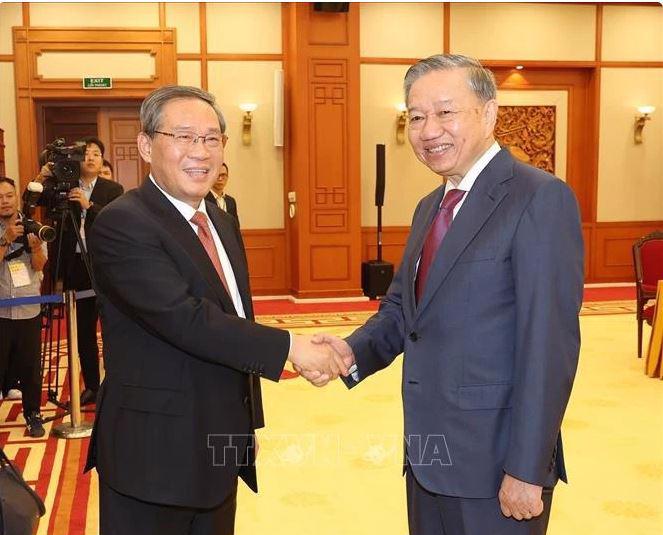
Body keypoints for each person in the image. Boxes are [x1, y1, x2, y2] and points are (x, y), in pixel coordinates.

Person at [305, 54, 584, 535]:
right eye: (416, 117)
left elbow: (549, 346)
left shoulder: (538, 198)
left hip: (496, 467)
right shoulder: (429, 206)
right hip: (428, 456)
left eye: (445, 112)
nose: (428, 129)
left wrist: (525, 467)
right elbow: (402, 311)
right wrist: (351, 352)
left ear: (489, 113)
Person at [84, 85, 347, 535]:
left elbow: (236, 321)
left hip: (218, 447)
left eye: (211, 139)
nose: (200, 152)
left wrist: (247, 428)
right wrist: (292, 346)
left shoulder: (220, 220)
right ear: (147, 145)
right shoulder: (122, 222)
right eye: (184, 137)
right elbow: (185, 318)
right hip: (153, 457)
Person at [38, 137, 124, 406]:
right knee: (83, 330)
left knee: (113, 328)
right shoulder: (66, 186)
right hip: (76, 267)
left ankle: (117, 383)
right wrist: (42, 175)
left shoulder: (113, 189)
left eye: (96, 154)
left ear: (102, 161)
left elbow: (118, 224)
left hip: (105, 267)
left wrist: (89, 207)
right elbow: (36, 198)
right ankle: (93, 388)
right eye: (86, 154)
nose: (90, 158)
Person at [0, 176, 48, 437]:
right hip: (0, 312)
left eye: (9, 195)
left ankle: (33, 414)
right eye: (0, 197)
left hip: (29, 308)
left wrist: (36, 248)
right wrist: (5, 239)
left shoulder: (34, 226)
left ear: (17, 196)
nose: (5, 201)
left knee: (30, 367)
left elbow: (40, 266)